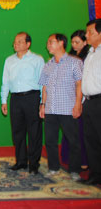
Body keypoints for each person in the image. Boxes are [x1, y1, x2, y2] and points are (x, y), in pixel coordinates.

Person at [39, 33, 83, 181]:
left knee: (73, 140)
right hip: (51, 109)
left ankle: (75, 170)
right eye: (48, 42)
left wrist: (78, 104)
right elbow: (44, 87)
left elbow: (79, 84)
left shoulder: (74, 62)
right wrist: (42, 105)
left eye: (51, 42)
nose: (48, 45)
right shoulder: (48, 65)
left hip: (68, 108)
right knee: (50, 140)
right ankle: (53, 168)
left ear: (61, 43)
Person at [1, 32, 44, 175]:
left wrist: (42, 102)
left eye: (19, 41)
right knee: (17, 131)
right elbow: (5, 82)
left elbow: (43, 82)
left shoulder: (37, 59)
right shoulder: (9, 60)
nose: (16, 44)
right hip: (15, 99)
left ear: (28, 44)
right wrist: (4, 100)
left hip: (32, 97)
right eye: (15, 42)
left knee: (34, 132)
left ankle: (34, 163)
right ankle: (21, 161)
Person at [61, 30, 90, 169]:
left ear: (85, 42)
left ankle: (84, 160)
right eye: (72, 42)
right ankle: (68, 157)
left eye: (77, 42)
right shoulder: (70, 57)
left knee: (81, 131)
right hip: (68, 97)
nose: (74, 45)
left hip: (82, 98)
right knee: (69, 129)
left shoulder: (88, 57)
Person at [80, 19, 101, 185]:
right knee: (91, 140)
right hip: (89, 102)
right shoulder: (90, 53)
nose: (86, 35)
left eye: (89, 32)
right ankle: (95, 174)